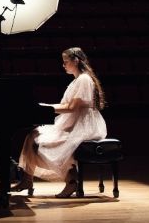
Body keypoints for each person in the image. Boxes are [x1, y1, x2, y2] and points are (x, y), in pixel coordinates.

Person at [12, 47, 108, 198]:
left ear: (75, 61)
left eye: (65, 62)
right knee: (33, 134)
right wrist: (44, 107)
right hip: (74, 122)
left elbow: (72, 108)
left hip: (83, 125)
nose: (63, 65)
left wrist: (47, 108)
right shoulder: (77, 80)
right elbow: (68, 106)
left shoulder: (84, 80)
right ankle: (27, 179)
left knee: (50, 144)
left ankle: (71, 181)